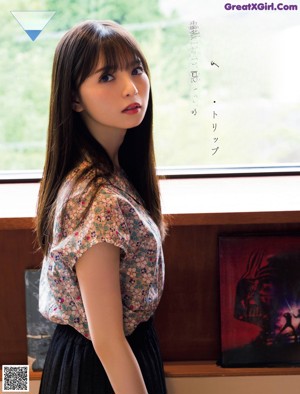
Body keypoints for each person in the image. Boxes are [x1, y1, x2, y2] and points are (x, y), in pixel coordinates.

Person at [36, 19, 167, 394]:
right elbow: (108, 341)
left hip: (116, 356)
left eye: (136, 70)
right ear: (74, 98)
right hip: (103, 369)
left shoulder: (108, 172)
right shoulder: (98, 200)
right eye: (107, 77)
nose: (131, 88)